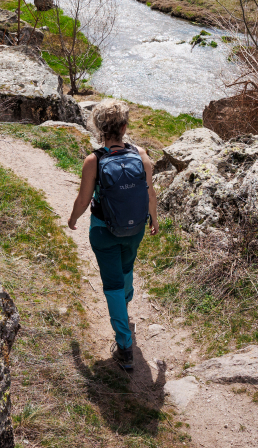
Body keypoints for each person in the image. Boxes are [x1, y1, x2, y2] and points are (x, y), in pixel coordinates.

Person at [67, 99, 159, 371]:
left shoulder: (93, 160)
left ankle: (125, 346)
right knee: (126, 268)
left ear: (99, 128)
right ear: (124, 126)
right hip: (135, 229)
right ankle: (126, 303)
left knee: (112, 287)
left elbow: (83, 200)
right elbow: (149, 192)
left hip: (103, 231)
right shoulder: (141, 154)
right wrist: (154, 218)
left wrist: (72, 219)